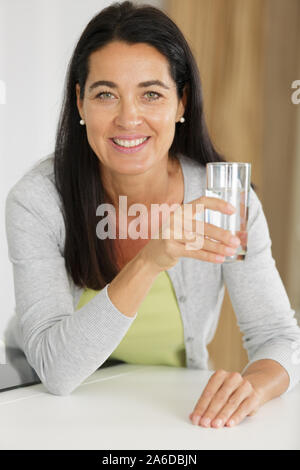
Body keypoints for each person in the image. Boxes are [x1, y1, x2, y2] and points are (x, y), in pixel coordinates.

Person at [4, 1, 300, 429]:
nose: (128, 117)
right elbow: (56, 370)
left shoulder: (223, 200)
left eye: (151, 94)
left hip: (164, 411)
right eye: (106, 93)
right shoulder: (38, 200)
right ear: (80, 104)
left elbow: (278, 335)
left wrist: (255, 384)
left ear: (181, 103)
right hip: (44, 406)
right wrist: (151, 259)